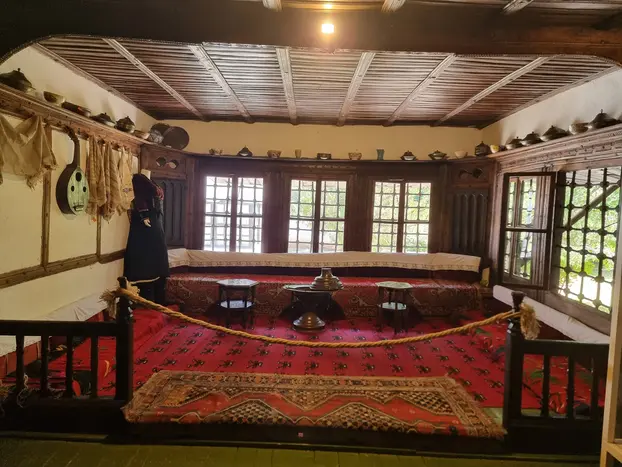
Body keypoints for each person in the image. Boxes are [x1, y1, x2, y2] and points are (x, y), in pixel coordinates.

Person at [123, 170, 169, 304]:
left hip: (156, 224)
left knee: (158, 256)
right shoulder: (139, 179)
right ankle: (146, 300)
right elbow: (139, 198)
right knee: (145, 259)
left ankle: (158, 301)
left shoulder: (152, 182)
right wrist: (144, 215)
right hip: (146, 226)